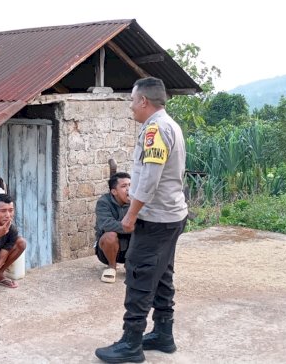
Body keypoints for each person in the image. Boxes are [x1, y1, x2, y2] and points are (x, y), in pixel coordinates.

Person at [95, 77, 188, 363]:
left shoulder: (155, 130)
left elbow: (148, 178)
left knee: (138, 274)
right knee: (162, 275)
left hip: (156, 220)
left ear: (144, 101)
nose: (131, 107)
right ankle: (163, 334)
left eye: (133, 101)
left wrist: (131, 215)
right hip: (172, 216)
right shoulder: (169, 125)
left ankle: (131, 344)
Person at [95, 172, 132, 284]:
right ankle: (111, 266)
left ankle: (130, 264)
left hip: (132, 248)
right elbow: (106, 224)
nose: (129, 189)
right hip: (108, 251)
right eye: (124, 186)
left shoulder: (136, 202)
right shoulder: (103, 202)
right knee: (110, 235)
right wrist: (130, 227)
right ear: (114, 191)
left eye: (130, 185)